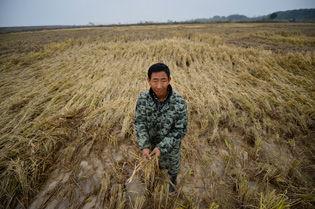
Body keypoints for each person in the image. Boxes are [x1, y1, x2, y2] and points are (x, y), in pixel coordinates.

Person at [134, 63, 188, 192]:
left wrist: (162, 147)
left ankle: (172, 186)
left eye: (163, 81)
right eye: (155, 81)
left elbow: (180, 130)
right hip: (151, 149)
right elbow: (139, 122)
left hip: (171, 151)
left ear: (169, 80)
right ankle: (153, 185)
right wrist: (145, 145)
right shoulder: (142, 99)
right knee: (153, 171)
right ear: (148, 81)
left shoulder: (179, 103)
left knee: (172, 171)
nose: (159, 86)